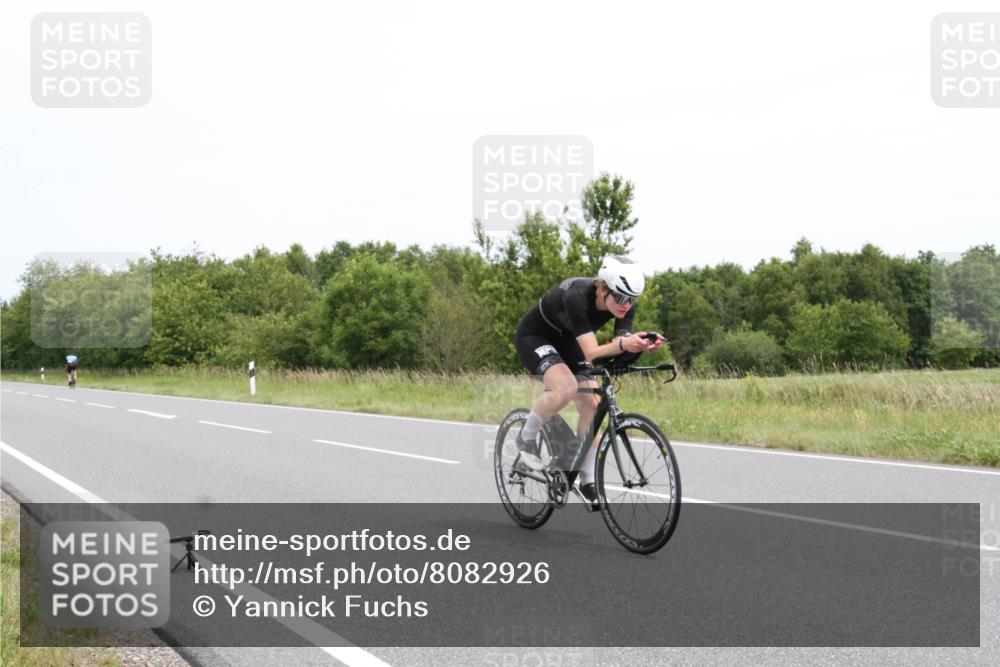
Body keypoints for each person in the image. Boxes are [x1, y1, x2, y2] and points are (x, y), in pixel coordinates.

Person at [512, 255, 665, 502]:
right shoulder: (576, 296)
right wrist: (627, 343)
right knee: (566, 389)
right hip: (535, 337)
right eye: (621, 297)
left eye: (632, 299)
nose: (626, 305)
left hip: (569, 340)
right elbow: (592, 352)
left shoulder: (624, 303)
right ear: (602, 287)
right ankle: (526, 437)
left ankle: (587, 477)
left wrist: (639, 344)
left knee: (592, 404)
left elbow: (617, 344)